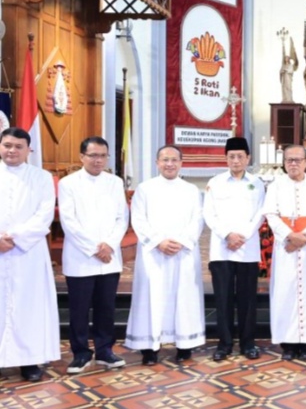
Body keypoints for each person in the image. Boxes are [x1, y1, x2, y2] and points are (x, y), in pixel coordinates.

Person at [125, 145, 205, 365]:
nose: (169, 164)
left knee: (183, 296)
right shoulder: (145, 189)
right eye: (165, 160)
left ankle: (184, 344)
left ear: (181, 163)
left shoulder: (191, 190)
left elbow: (198, 219)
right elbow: (138, 219)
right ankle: (149, 348)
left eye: (174, 160)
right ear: (157, 163)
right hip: (154, 254)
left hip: (183, 252)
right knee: (151, 297)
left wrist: (181, 241)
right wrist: (159, 242)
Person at [59, 136, 129, 374]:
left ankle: (105, 350)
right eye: (93, 156)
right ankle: (80, 353)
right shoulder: (68, 183)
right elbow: (69, 221)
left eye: (102, 156)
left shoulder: (115, 182)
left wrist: (109, 244)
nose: (98, 160)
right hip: (81, 257)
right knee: (79, 309)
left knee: (106, 307)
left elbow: (122, 217)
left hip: (109, 257)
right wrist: (94, 248)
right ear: (82, 157)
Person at [0, 127, 59, 382]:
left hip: (28, 252)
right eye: (7, 145)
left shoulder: (41, 177)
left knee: (29, 306)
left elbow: (44, 215)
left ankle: (29, 360)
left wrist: (14, 237)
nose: (12, 150)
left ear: (28, 150)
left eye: (18, 146)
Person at [263, 144, 306, 361]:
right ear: (284, 163)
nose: (293, 164)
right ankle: (288, 344)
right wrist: (289, 236)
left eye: (298, 160)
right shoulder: (275, 186)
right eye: (289, 160)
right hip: (285, 247)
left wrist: (304, 238)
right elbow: (271, 215)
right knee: (285, 292)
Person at [203, 137, 265, 362]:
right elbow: (209, 213)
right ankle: (224, 344)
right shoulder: (215, 182)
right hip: (222, 249)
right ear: (226, 158)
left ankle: (248, 343)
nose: (236, 160)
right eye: (231, 156)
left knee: (248, 299)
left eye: (240, 156)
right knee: (223, 298)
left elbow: (260, 213)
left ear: (248, 158)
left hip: (247, 249)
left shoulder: (257, 183)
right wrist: (228, 234)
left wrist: (243, 236)